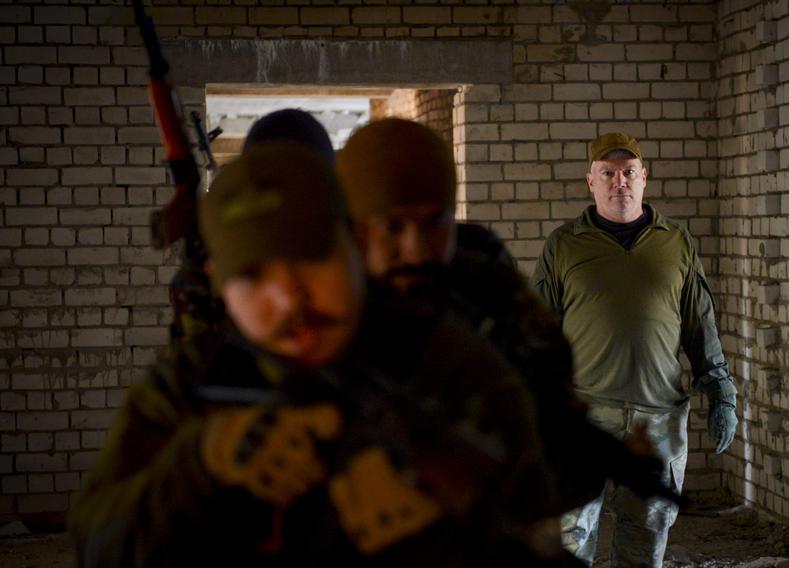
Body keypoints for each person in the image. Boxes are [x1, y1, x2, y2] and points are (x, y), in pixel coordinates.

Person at [68, 143, 563, 567]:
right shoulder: (187, 386)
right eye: (252, 276)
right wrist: (198, 466)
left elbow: (536, 530)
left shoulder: (449, 362)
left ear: (356, 243)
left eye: (311, 258)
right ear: (218, 283)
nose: (289, 299)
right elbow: (100, 549)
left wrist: (444, 532)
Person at [334, 119, 679, 525]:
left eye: (434, 224)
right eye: (393, 227)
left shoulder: (492, 297)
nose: (416, 251)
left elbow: (550, 432)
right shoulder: (320, 314)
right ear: (353, 231)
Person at [532, 132, 738, 567]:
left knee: (643, 546)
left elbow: (700, 322)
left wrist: (720, 389)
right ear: (591, 181)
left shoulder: (676, 242)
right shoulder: (564, 244)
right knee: (568, 542)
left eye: (628, 172)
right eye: (607, 173)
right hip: (583, 419)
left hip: (657, 421)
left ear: (644, 178)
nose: (618, 181)